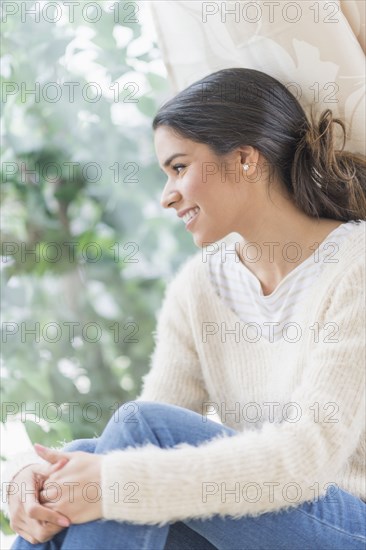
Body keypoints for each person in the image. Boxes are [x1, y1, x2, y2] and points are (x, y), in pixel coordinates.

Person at [5, 68, 366, 549]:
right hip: (250, 515)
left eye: (179, 167)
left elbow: (305, 459)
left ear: (244, 159)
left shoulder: (355, 267)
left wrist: (108, 481)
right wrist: (40, 479)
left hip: (344, 520)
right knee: (80, 479)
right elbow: (136, 444)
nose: (166, 195)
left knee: (134, 439)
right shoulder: (199, 286)